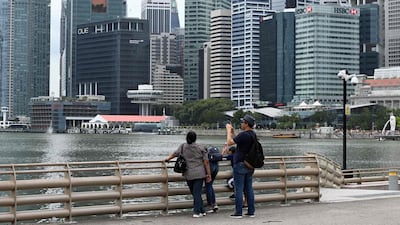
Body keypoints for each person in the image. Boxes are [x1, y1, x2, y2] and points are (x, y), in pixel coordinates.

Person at [164, 131, 212, 218]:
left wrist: (168, 158)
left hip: (188, 173)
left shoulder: (183, 146)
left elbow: (175, 153)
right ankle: (198, 211)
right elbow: (206, 162)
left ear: (187, 138)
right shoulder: (201, 147)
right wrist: (208, 174)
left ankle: (200, 210)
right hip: (199, 173)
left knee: (194, 193)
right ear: (195, 138)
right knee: (197, 193)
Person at [225, 115, 256, 219]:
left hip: (240, 164)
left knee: (238, 189)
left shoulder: (244, 135)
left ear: (246, 124)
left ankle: (238, 212)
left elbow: (230, 142)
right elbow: (239, 140)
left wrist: (228, 131)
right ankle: (251, 211)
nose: (241, 124)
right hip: (250, 164)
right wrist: (234, 133)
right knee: (249, 189)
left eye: (243, 122)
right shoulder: (252, 134)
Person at [205, 146, 222, 213]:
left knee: (208, 186)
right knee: (210, 185)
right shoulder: (214, 152)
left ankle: (210, 205)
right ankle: (214, 204)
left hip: (210, 167)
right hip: (216, 167)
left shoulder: (206, 152)